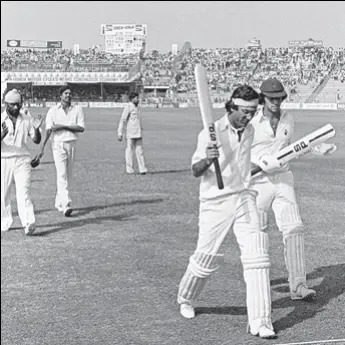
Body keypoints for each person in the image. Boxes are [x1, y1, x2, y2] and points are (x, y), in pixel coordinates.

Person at [177, 85, 276, 339]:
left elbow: (242, 165)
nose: (250, 117)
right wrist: (209, 159)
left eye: (254, 111)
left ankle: (261, 321)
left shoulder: (251, 129)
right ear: (231, 107)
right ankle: (186, 298)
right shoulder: (209, 133)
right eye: (245, 111)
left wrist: (265, 166)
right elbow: (196, 170)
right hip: (215, 201)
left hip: (244, 197)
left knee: (258, 256)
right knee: (206, 257)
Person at [249, 77, 334, 301]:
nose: (276, 102)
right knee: (256, 234)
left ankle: (298, 286)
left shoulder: (288, 119)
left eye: (280, 98)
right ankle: (255, 281)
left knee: (294, 229)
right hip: (258, 182)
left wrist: (318, 147)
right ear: (263, 99)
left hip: (283, 179)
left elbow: (293, 148)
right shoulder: (251, 123)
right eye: (271, 98)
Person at [1, 89, 44, 235]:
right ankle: (4, 221)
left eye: (18, 104)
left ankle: (28, 223)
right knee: (3, 193)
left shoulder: (26, 119)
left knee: (24, 192)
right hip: (4, 159)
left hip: (22, 159)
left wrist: (37, 129)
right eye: (12, 104)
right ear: (5, 103)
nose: (15, 107)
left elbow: (36, 140)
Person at [39, 86, 85, 217]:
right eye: (65, 93)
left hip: (71, 143)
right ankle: (66, 204)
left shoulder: (77, 109)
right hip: (57, 145)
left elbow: (81, 128)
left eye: (70, 93)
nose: (68, 96)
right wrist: (42, 147)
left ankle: (59, 202)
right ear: (60, 96)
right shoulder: (53, 111)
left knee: (68, 176)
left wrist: (64, 126)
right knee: (62, 174)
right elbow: (50, 129)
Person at [117, 92, 147, 175]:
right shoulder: (128, 106)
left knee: (140, 151)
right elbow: (123, 120)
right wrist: (120, 133)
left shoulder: (138, 107)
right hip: (130, 132)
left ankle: (142, 169)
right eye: (136, 98)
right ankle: (129, 169)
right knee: (129, 150)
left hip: (138, 132)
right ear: (132, 99)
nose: (138, 99)